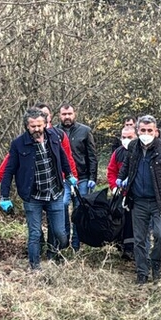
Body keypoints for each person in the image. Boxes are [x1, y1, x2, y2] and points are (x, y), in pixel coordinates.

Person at [116, 115, 161, 284]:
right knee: (140, 239)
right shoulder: (133, 147)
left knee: (160, 234)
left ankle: (156, 264)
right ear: (137, 131)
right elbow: (127, 165)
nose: (146, 133)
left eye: (150, 130)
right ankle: (142, 273)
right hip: (138, 200)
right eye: (143, 130)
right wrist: (121, 178)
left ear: (156, 132)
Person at [0, 109, 77, 271]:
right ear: (27, 126)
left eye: (39, 125)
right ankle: (35, 267)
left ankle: (57, 254)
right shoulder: (18, 144)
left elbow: (63, 157)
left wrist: (69, 174)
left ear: (45, 124)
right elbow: (9, 170)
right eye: (32, 126)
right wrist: (4, 196)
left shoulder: (54, 137)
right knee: (34, 233)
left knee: (60, 233)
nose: (36, 129)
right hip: (32, 195)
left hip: (54, 192)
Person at [58, 102, 98, 252]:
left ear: (74, 114)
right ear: (59, 115)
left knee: (79, 210)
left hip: (82, 178)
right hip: (62, 179)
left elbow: (92, 156)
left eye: (69, 114)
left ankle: (76, 244)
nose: (67, 117)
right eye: (64, 114)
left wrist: (92, 177)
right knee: (61, 207)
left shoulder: (85, 131)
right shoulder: (54, 132)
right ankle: (63, 242)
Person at [107, 125, 136, 259]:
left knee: (133, 222)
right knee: (121, 220)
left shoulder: (140, 151)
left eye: (129, 137)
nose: (126, 140)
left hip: (137, 194)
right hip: (121, 194)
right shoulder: (118, 153)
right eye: (123, 137)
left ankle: (132, 249)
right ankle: (121, 245)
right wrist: (114, 187)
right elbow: (111, 171)